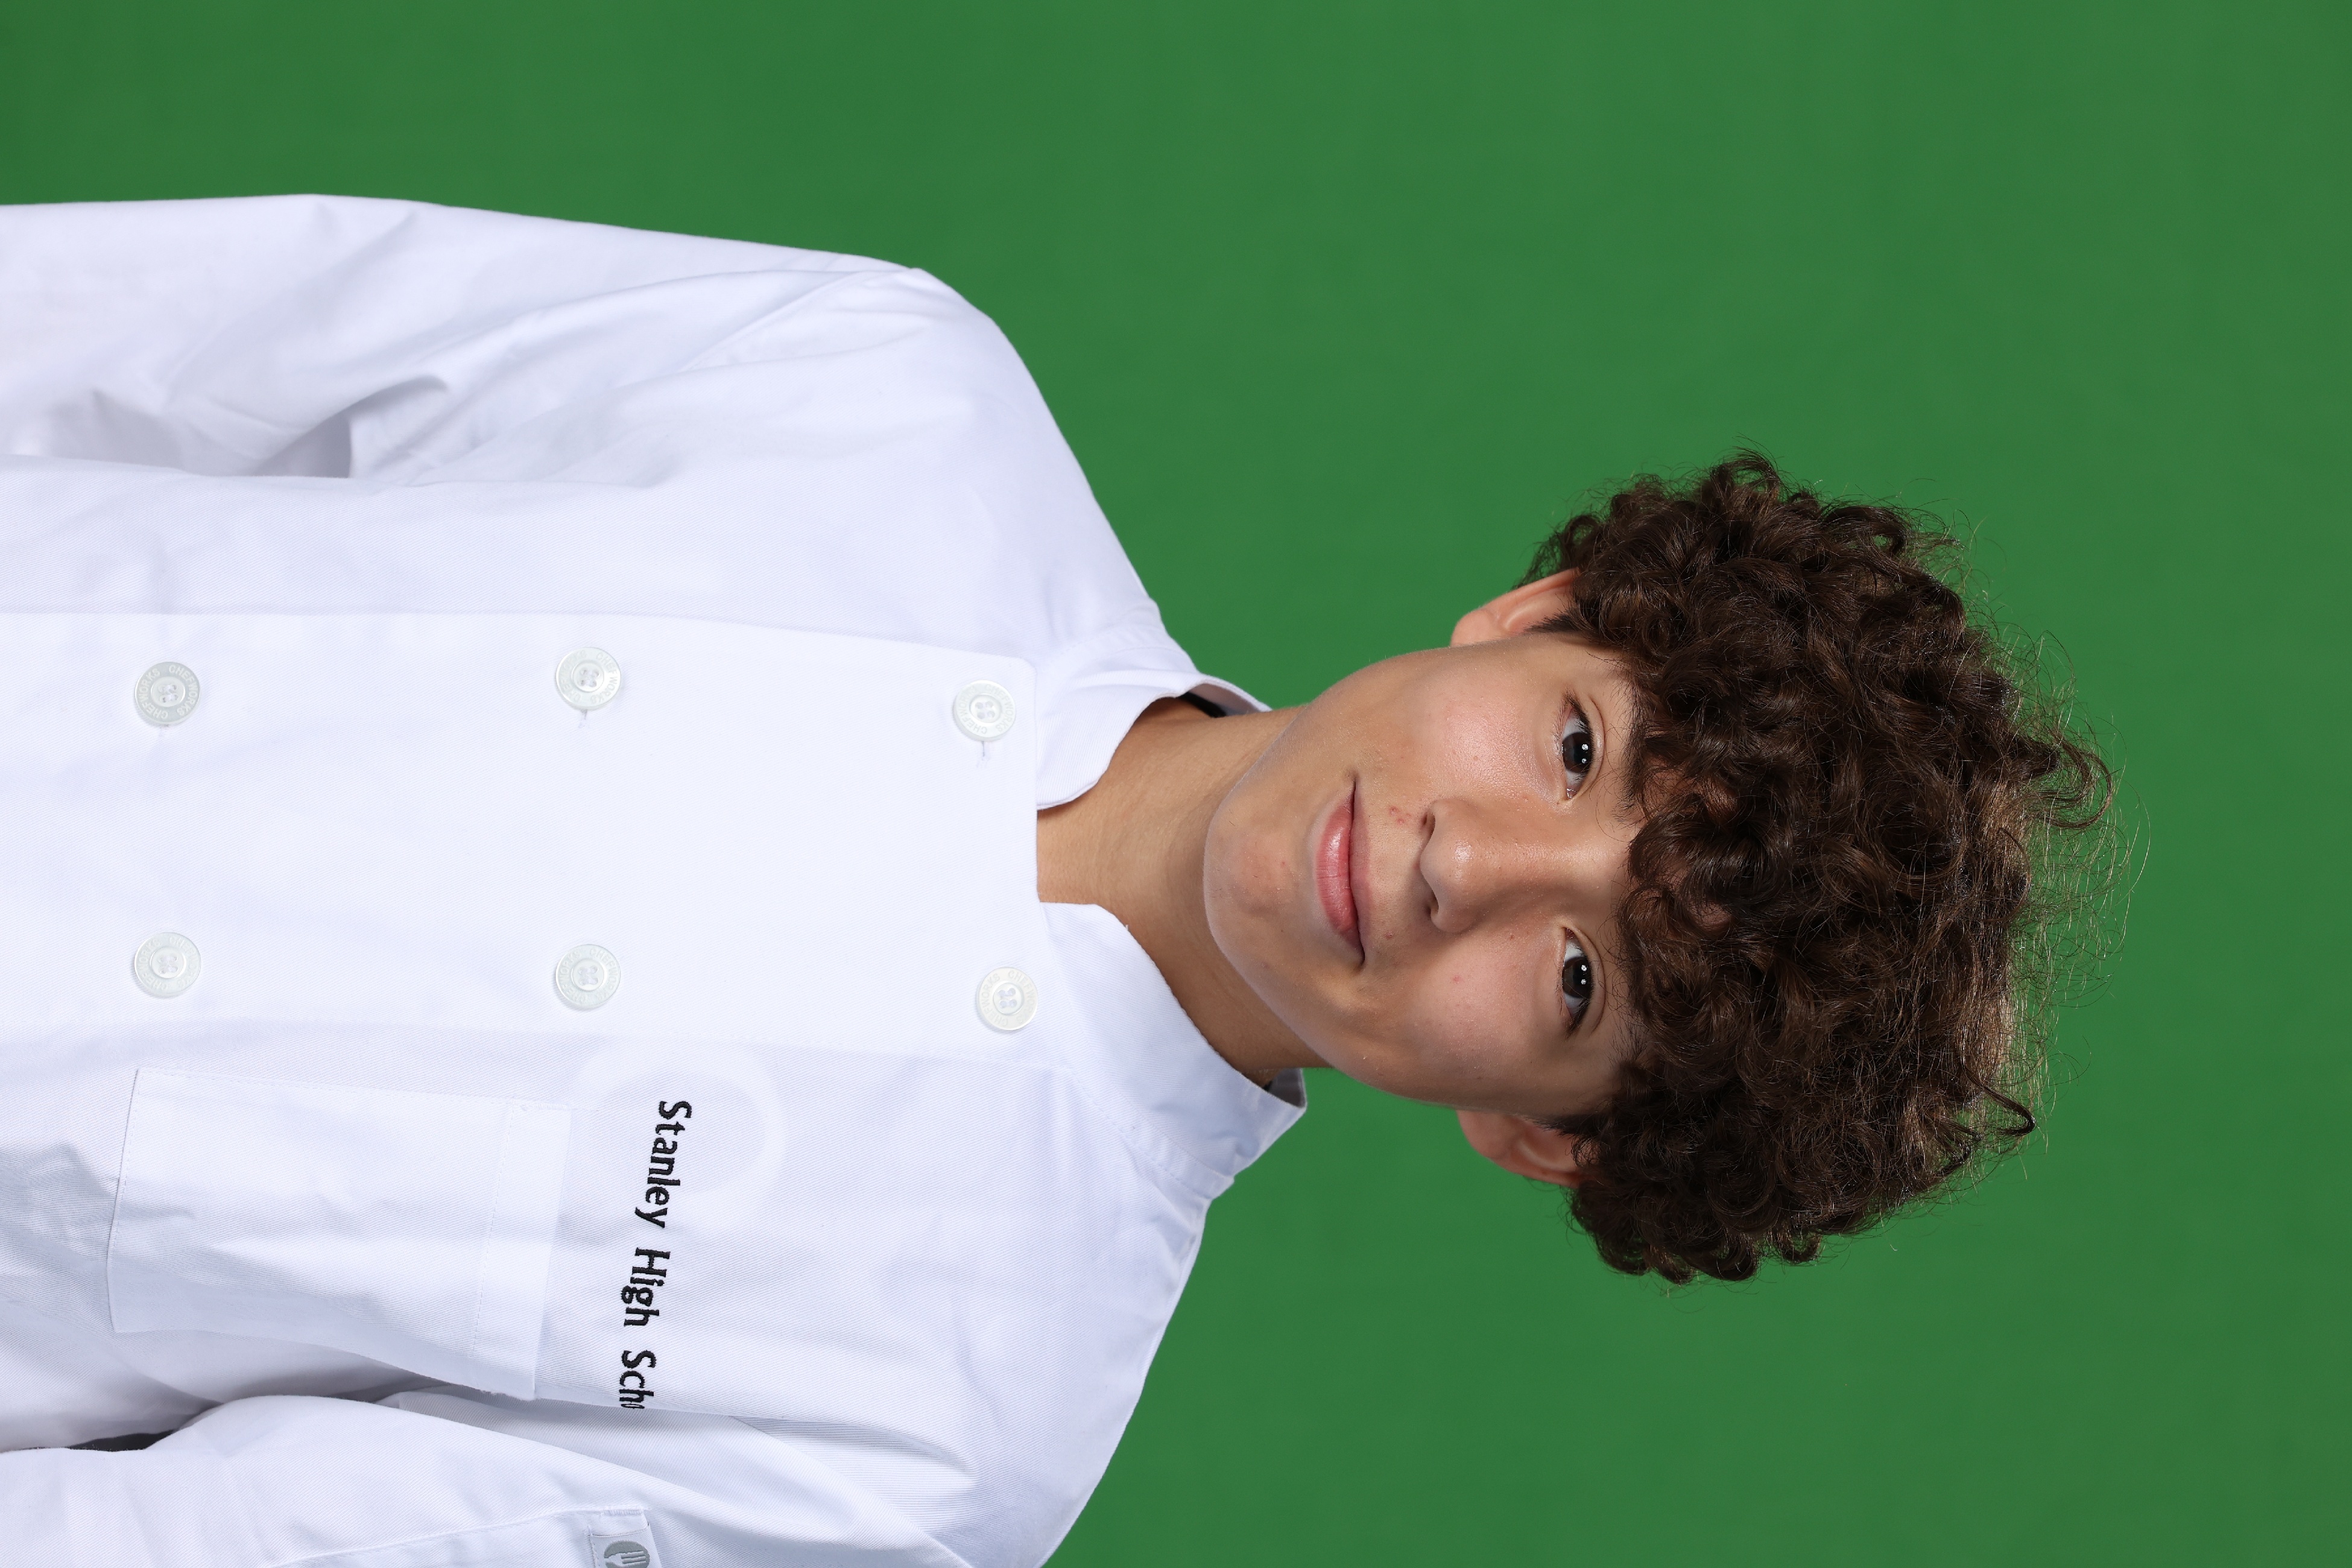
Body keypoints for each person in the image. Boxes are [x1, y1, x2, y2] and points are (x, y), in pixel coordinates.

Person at [0, 196, 2105, 1564]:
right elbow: (178, 333)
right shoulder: (887, 401)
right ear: (1537, 614)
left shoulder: (950, 1437)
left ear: (1541, 1137)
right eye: (1575, 750)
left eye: (1582, 978)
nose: (1467, 864)